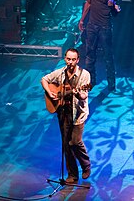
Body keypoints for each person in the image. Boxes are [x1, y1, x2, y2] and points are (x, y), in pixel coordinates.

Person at [41, 48, 91, 183]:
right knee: (66, 144)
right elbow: (44, 79)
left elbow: (84, 94)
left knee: (75, 142)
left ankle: (86, 165)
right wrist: (50, 93)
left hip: (78, 114)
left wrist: (79, 94)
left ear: (78, 60)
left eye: (73, 59)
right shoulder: (61, 73)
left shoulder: (84, 75)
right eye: (68, 59)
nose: (70, 62)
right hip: (63, 113)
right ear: (65, 59)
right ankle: (72, 175)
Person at [79, 0, 121, 91]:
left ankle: (111, 84)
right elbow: (88, 3)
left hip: (105, 27)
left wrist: (112, 6)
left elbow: (116, 13)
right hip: (92, 25)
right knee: (89, 55)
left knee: (108, 56)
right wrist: (82, 19)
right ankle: (91, 80)